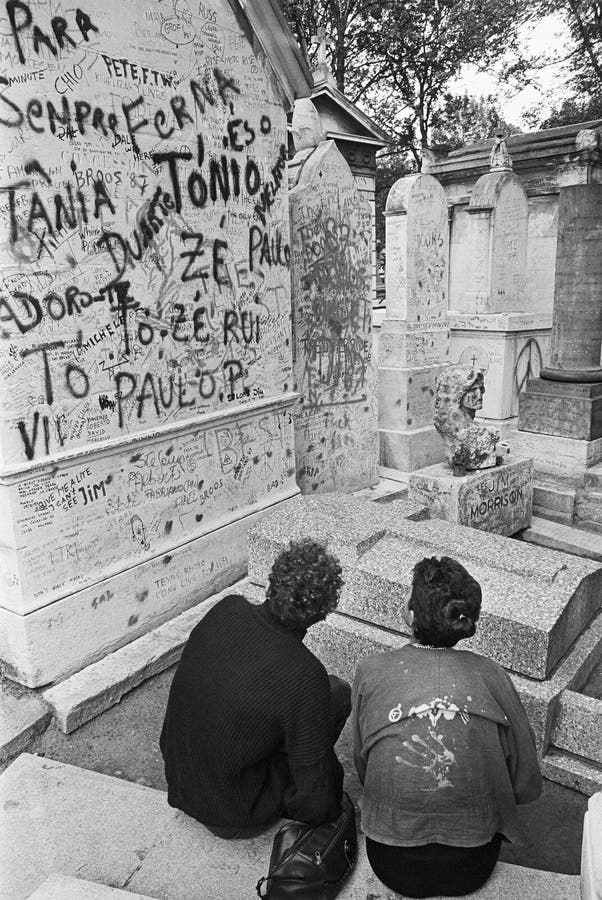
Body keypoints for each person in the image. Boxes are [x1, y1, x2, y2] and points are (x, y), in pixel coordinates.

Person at [352, 556, 542, 898]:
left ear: (411, 615)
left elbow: (364, 766)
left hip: (390, 861)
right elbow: (525, 781)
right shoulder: (492, 675)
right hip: (472, 865)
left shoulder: (370, 671)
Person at [160, 538, 351, 839]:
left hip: (181, 782)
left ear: (271, 584)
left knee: (314, 697)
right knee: (339, 694)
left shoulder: (227, 608)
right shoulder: (303, 674)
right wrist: (328, 810)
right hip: (235, 815)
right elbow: (315, 797)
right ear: (322, 614)